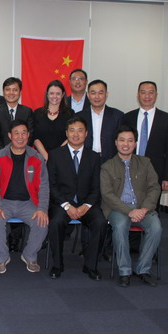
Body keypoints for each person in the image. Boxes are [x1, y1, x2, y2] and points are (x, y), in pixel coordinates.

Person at [101, 125, 162, 287]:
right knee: (120, 226)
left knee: (156, 227)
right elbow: (107, 194)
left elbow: (154, 187)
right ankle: (125, 271)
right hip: (118, 209)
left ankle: (143, 269)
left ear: (135, 143)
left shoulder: (145, 163)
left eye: (130, 140)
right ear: (116, 142)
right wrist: (129, 211)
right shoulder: (107, 166)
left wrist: (144, 209)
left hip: (143, 208)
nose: (125, 144)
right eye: (122, 140)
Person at [47, 117, 107, 280]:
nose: (76, 134)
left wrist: (86, 206)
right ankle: (57, 264)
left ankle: (91, 265)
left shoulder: (94, 157)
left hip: (86, 204)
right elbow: (52, 185)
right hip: (62, 203)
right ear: (66, 133)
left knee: (100, 223)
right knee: (55, 223)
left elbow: (96, 187)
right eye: (72, 130)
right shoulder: (55, 155)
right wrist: (67, 206)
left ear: (86, 133)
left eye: (80, 130)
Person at [0, 120, 49, 274]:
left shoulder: (37, 158)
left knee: (42, 222)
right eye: (16, 133)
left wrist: (42, 209)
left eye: (23, 133)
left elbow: (44, 186)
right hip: (3, 202)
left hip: (28, 202)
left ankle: (29, 255)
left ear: (28, 135)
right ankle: (2, 258)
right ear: (10, 135)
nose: (20, 137)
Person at [123, 81, 168, 196]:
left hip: (155, 173)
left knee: (151, 205)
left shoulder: (167, 119)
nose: (147, 96)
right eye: (143, 92)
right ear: (138, 95)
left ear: (156, 95)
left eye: (151, 92)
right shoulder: (127, 117)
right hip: (129, 171)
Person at [77, 79, 124, 164]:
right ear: (88, 95)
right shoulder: (79, 116)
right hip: (85, 161)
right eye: (93, 93)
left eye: (100, 93)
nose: (97, 96)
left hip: (111, 162)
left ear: (106, 94)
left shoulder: (117, 116)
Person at [33, 80, 74, 161]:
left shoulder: (70, 113)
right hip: (41, 158)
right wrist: (47, 157)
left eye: (58, 93)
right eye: (51, 93)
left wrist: (56, 156)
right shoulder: (37, 113)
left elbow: (70, 136)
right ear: (47, 94)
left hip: (63, 157)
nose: (54, 96)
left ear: (62, 95)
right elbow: (35, 138)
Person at [0, 77, 34, 150]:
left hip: (23, 152)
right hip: (1, 153)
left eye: (15, 90)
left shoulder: (27, 111)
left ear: (20, 92)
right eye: (8, 89)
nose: (11, 93)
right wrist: (4, 152)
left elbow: (30, 135)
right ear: (3, 92)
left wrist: (20, 150)